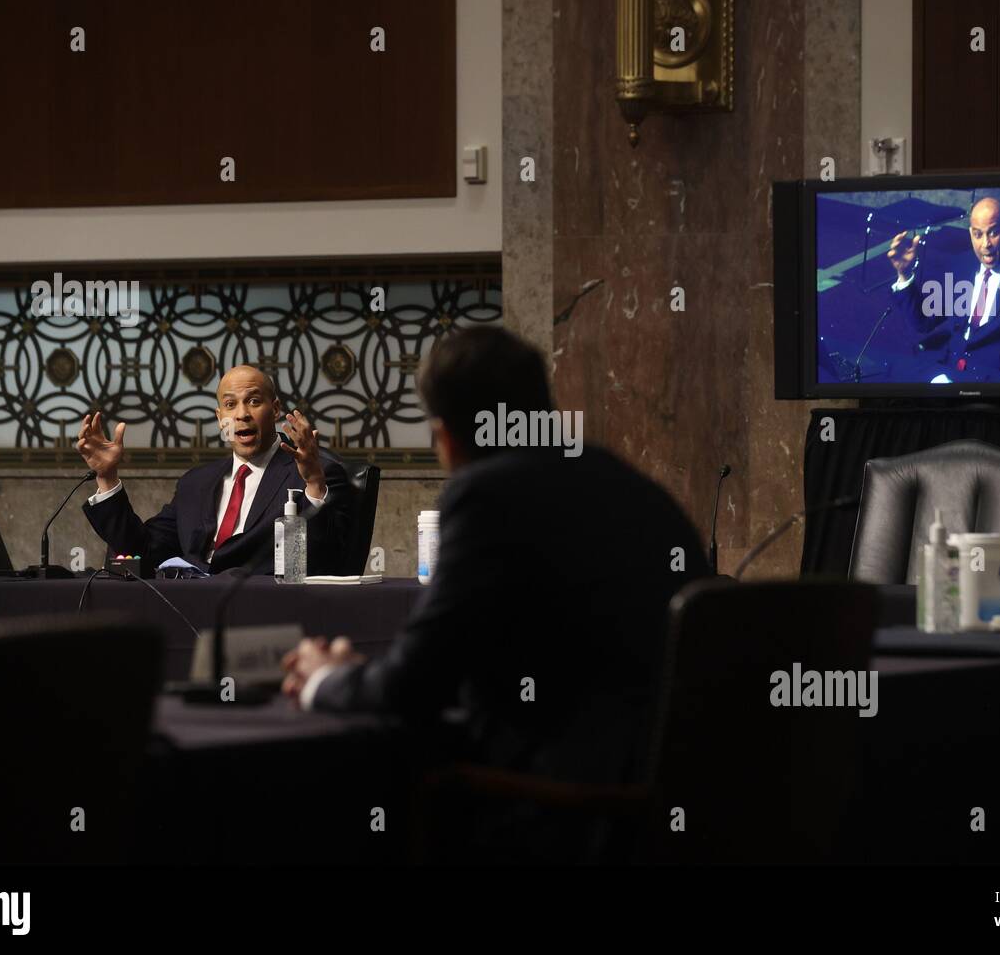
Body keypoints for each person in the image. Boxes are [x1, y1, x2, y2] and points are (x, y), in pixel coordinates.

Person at [280, 326, 710, 859]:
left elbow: (416, 685)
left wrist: (327, 678)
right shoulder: (628, 483)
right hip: (682, 804)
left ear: (448, 438)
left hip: (561, 808)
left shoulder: (488, 493)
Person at [75, 365, 351, 575]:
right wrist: (107, 477)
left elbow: (329, 562)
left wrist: (314, 482)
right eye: (230, 405)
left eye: (254, 401)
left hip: (265, 609)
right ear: (221, 418)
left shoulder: (318, 473)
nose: (242, 414)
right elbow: (142, 552)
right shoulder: (195, 483)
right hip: (190, 607)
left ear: (275, 409)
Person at [886, 196, 1000, 383]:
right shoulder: (961, 265)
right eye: (978, 234)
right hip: (949, 369)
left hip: (996, 380)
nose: (985, 245)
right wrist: (904, 275)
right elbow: (923, 322)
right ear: (970, 233)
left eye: (993, 233)